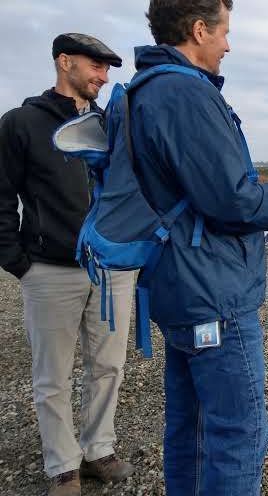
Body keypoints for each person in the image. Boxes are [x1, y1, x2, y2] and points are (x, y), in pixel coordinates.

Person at [128, 0, 268, 495]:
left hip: (176, 282)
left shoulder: (145, 89)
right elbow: (233, 201)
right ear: (199, 30)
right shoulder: (185, 93)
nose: (228, 44)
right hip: (213, 292)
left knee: (191, 428)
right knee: (239, 433)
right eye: (223, 32)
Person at [0, 33, 136, 496]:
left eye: (107, 68)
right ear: (64, 62)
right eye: (95, 65)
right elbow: (1, 195)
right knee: (52, 377)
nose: (104, 76)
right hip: (49, 270)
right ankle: (62, 465)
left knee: (109, 366)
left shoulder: (110, 124)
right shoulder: (20, 123)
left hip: (111, 269)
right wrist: (18, 261)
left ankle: (99, 449)